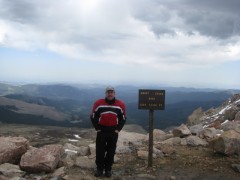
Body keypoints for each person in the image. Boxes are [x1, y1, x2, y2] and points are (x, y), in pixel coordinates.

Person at [90, 86, 126, 177]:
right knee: (100, 151)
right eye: (108, 92)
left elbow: (123, 118)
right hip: (102, 130)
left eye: (112, 92)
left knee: (111, 151)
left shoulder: (120, 104)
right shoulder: (99, 103)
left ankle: (108, 169)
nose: (110, 94)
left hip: (113, 131)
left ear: (114, 93)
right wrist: (97, 127)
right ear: (105, 93)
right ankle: (99, 169)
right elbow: (93, 116)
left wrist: (118, 129)